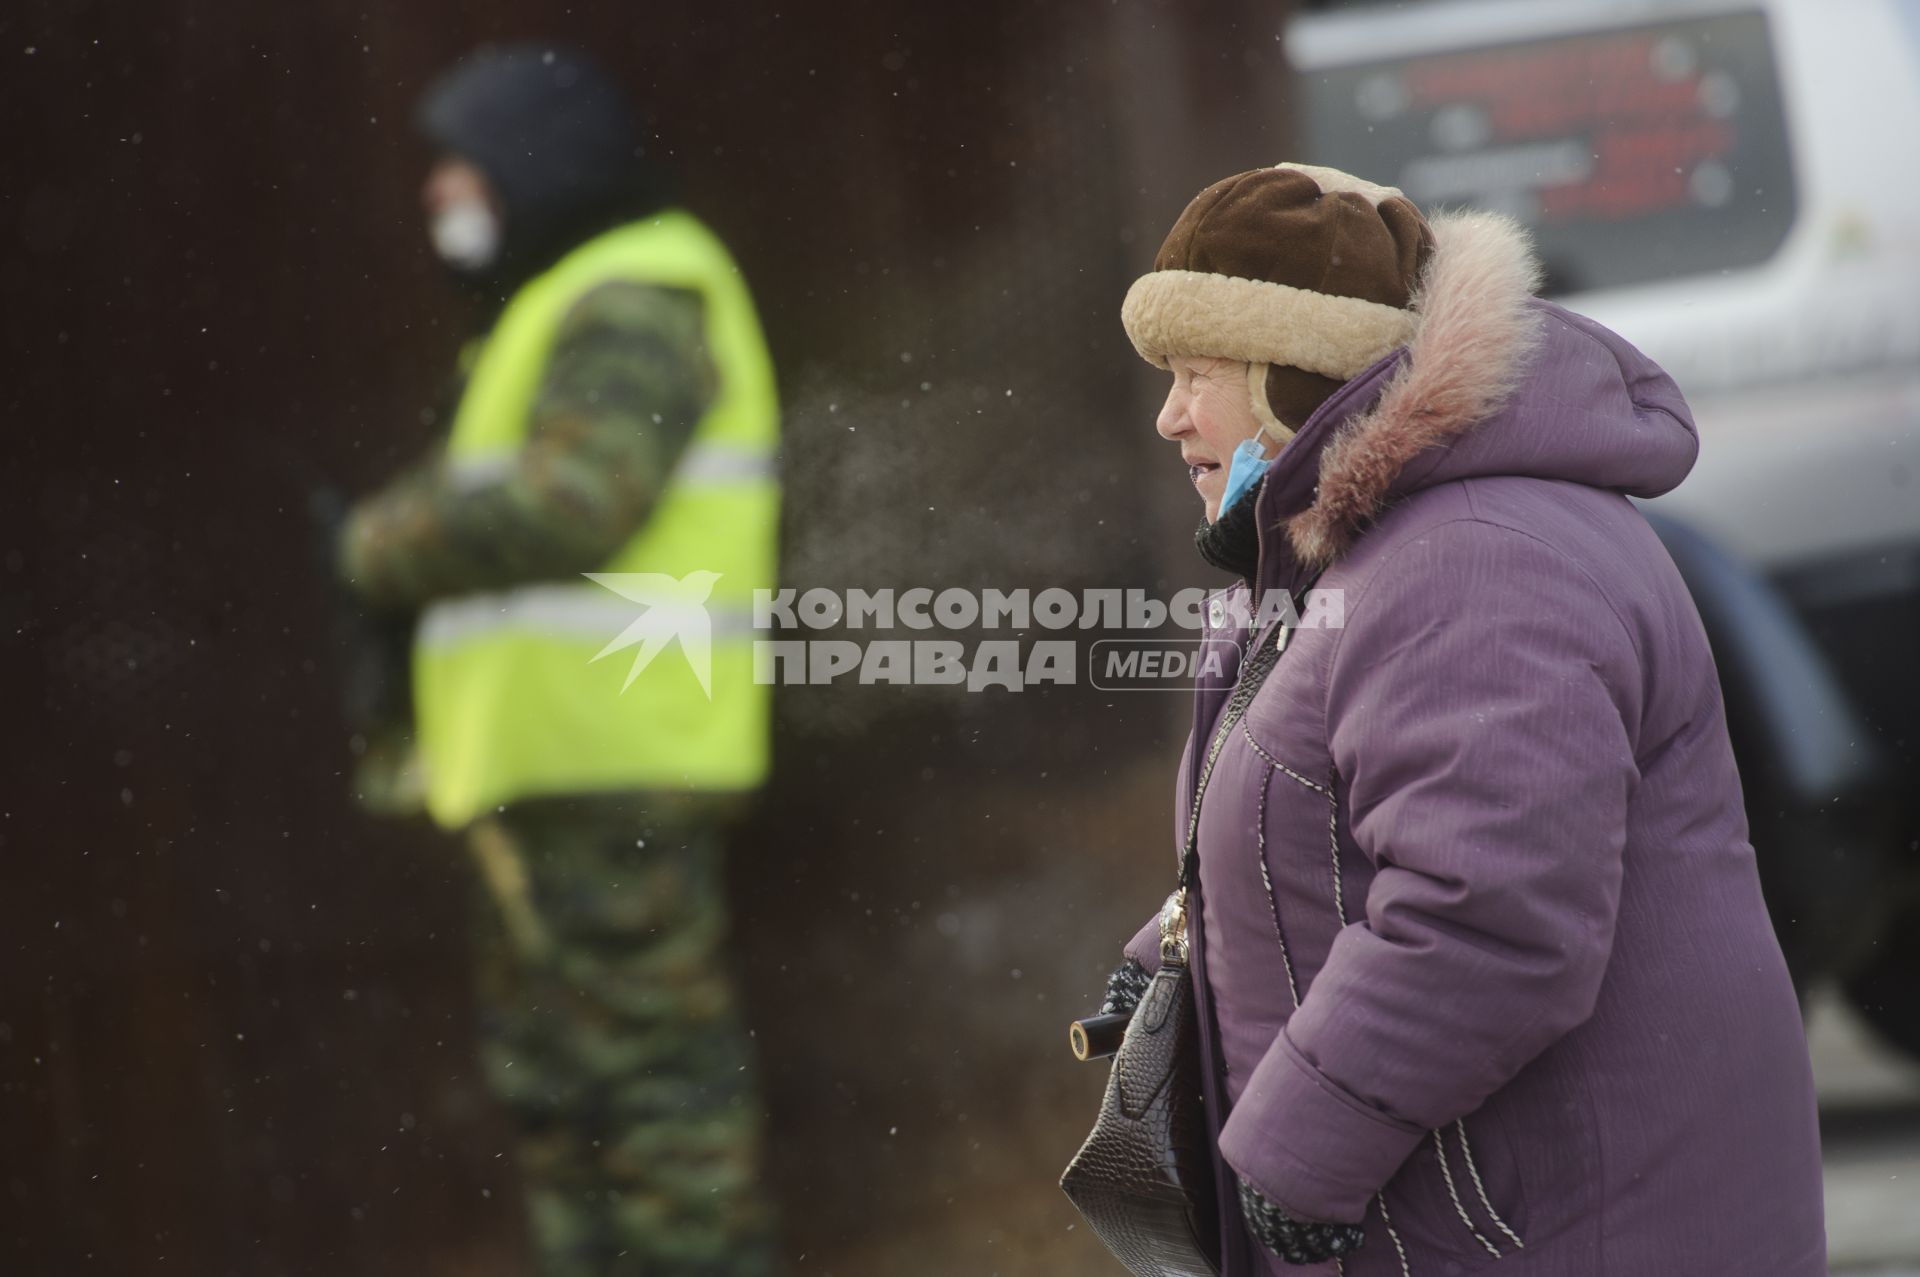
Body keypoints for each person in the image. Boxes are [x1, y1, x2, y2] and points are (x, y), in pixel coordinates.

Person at [1100, 163, 1826, 1274]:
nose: (1170, 415)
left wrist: (1306, 1137)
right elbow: (1321, 826)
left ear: (1301, 374)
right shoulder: (1340, 560)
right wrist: (1177, 952)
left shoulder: (1477, 563)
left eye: (1199, 372)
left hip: (1561, 1227)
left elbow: (1487, 913)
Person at [336, 44, 781, 1276]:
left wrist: (370, 545)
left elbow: (578, 499)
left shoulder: (635, 293)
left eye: (460, 162)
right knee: (567, 1107)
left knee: (659, 1115)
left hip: (617, 773)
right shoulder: (557, 305)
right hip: (548, 782)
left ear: (543, 163)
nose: (438, 192)